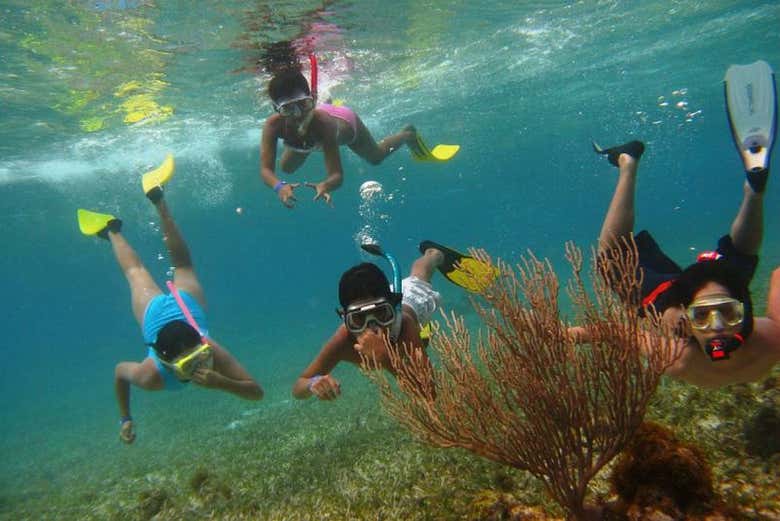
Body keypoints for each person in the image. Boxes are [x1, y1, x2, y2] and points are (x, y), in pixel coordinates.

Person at [77, 156, 263, 444]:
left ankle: (131, 215)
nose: (199, 367)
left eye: (199, 357)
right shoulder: (151, 376)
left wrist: (222, 382)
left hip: (185, 313)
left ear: (202, 343)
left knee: (157, 268)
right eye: (189, 364)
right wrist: (125, 416)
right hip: (163, 314)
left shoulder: (208, 348)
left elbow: (256, 392)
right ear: (164, 362)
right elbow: (120, 373)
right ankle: (116, 223)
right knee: (166, 267)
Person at [588, 138, 779, 388]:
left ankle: (628, 162)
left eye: (729, 314)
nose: (718, 327)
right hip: (707, 291)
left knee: (611, 256)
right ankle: (754, 193)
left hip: (683, 295)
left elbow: (620, 334)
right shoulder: (772, 340)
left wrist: (565, 334)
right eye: (701, 316)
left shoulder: (678, 359)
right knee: (738, 259)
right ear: (687, 323)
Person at [292, 241, 486, 400]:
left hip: (413, 302)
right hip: (383, 296)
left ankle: (433, 255)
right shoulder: (343, 340)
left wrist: (385, 359)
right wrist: (313, 384)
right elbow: (299, 385)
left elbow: (429, 393)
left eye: (381, 314)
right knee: (421, 335)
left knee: (420, 276)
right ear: (346, 318)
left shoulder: (406, 325)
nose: (373, 327)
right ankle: (410, 324)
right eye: (358, 319)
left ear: (393, 307)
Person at [259, 68, 455, 208]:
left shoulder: (324, 124)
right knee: (287, 168)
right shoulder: (273, 125)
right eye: (288, 109)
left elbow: (337, 176)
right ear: (277, 110)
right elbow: (266, 170)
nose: (298, 114)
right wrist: (279, 186)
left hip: (344, 124)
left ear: (312, 100)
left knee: (376, 158)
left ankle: (408, 134)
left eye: (304, 105)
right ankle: (326, 103)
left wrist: (326, 185)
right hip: (309, 138)